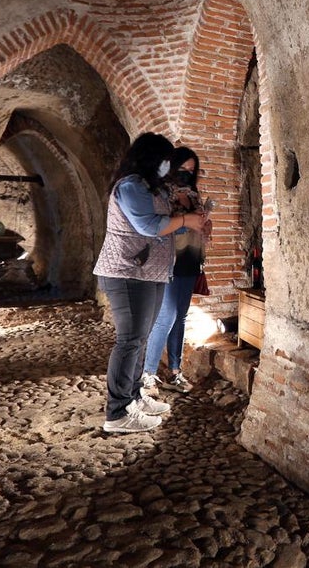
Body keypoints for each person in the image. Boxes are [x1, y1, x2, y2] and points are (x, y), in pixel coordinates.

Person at [92, 133, 191, 433]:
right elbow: (147, 226)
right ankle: (117, 412)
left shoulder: (151, 187)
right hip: (127, 272)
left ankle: (133, 397)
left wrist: (185, 217)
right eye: (166, 159)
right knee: (130, 340)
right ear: (152, 158)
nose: (168, 166)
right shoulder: (130, 185)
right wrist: (186, 221)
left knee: (141, 338)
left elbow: (164, 223)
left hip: (150, 272)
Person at [142, 146, 211, 393]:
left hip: (190, 259)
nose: (186, 174)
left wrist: (205, 226)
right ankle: (148, 374)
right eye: (182, 169)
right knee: (166, 317)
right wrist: (186, 224)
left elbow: (198, 225)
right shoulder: (162, 194)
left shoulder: (193, 195)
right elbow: (157, 229)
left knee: (181, 317)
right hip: (169, 261)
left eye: (191, 171)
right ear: (172, 168)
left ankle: (174, 372)